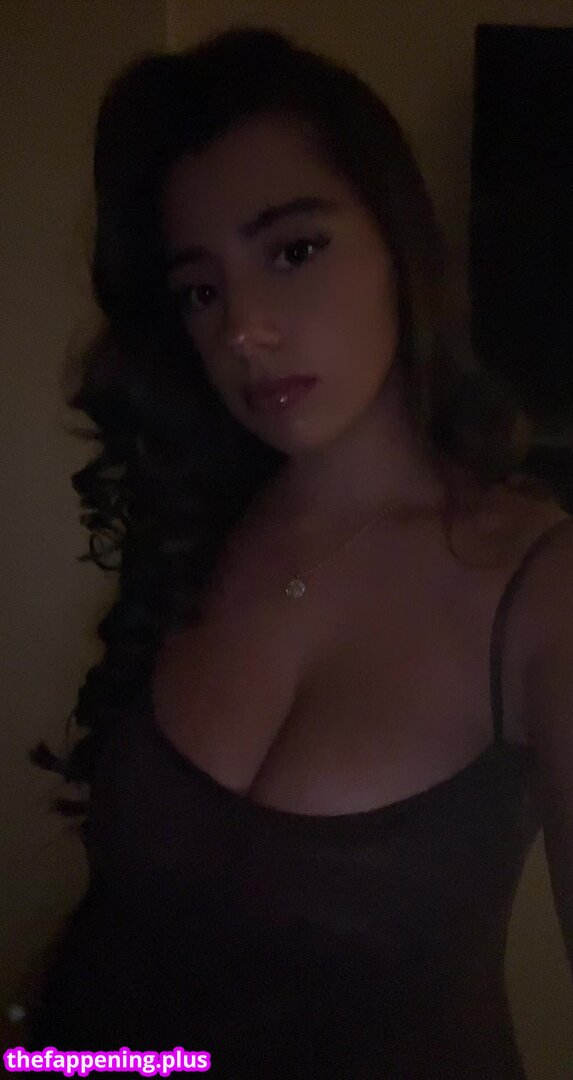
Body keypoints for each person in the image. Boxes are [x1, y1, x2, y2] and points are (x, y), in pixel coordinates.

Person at [22, 25, 573, 1078]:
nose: (242, 328)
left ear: (399, 243)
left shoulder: (540, 588)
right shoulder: (201, 524)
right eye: (200, 289)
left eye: (293, 251)